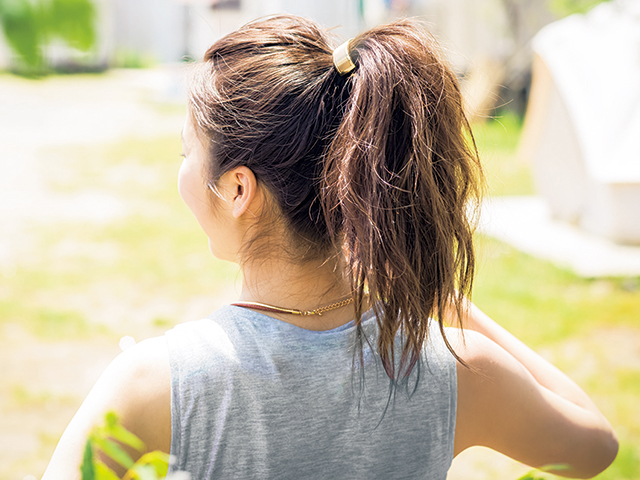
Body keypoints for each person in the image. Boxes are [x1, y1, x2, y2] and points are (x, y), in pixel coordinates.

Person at [43, 15, 618, 480]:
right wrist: (441, 302)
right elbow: (596, 447)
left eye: (186, 153)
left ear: (239, 188)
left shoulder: (157, 382)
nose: (181, 173)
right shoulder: (453, 372)